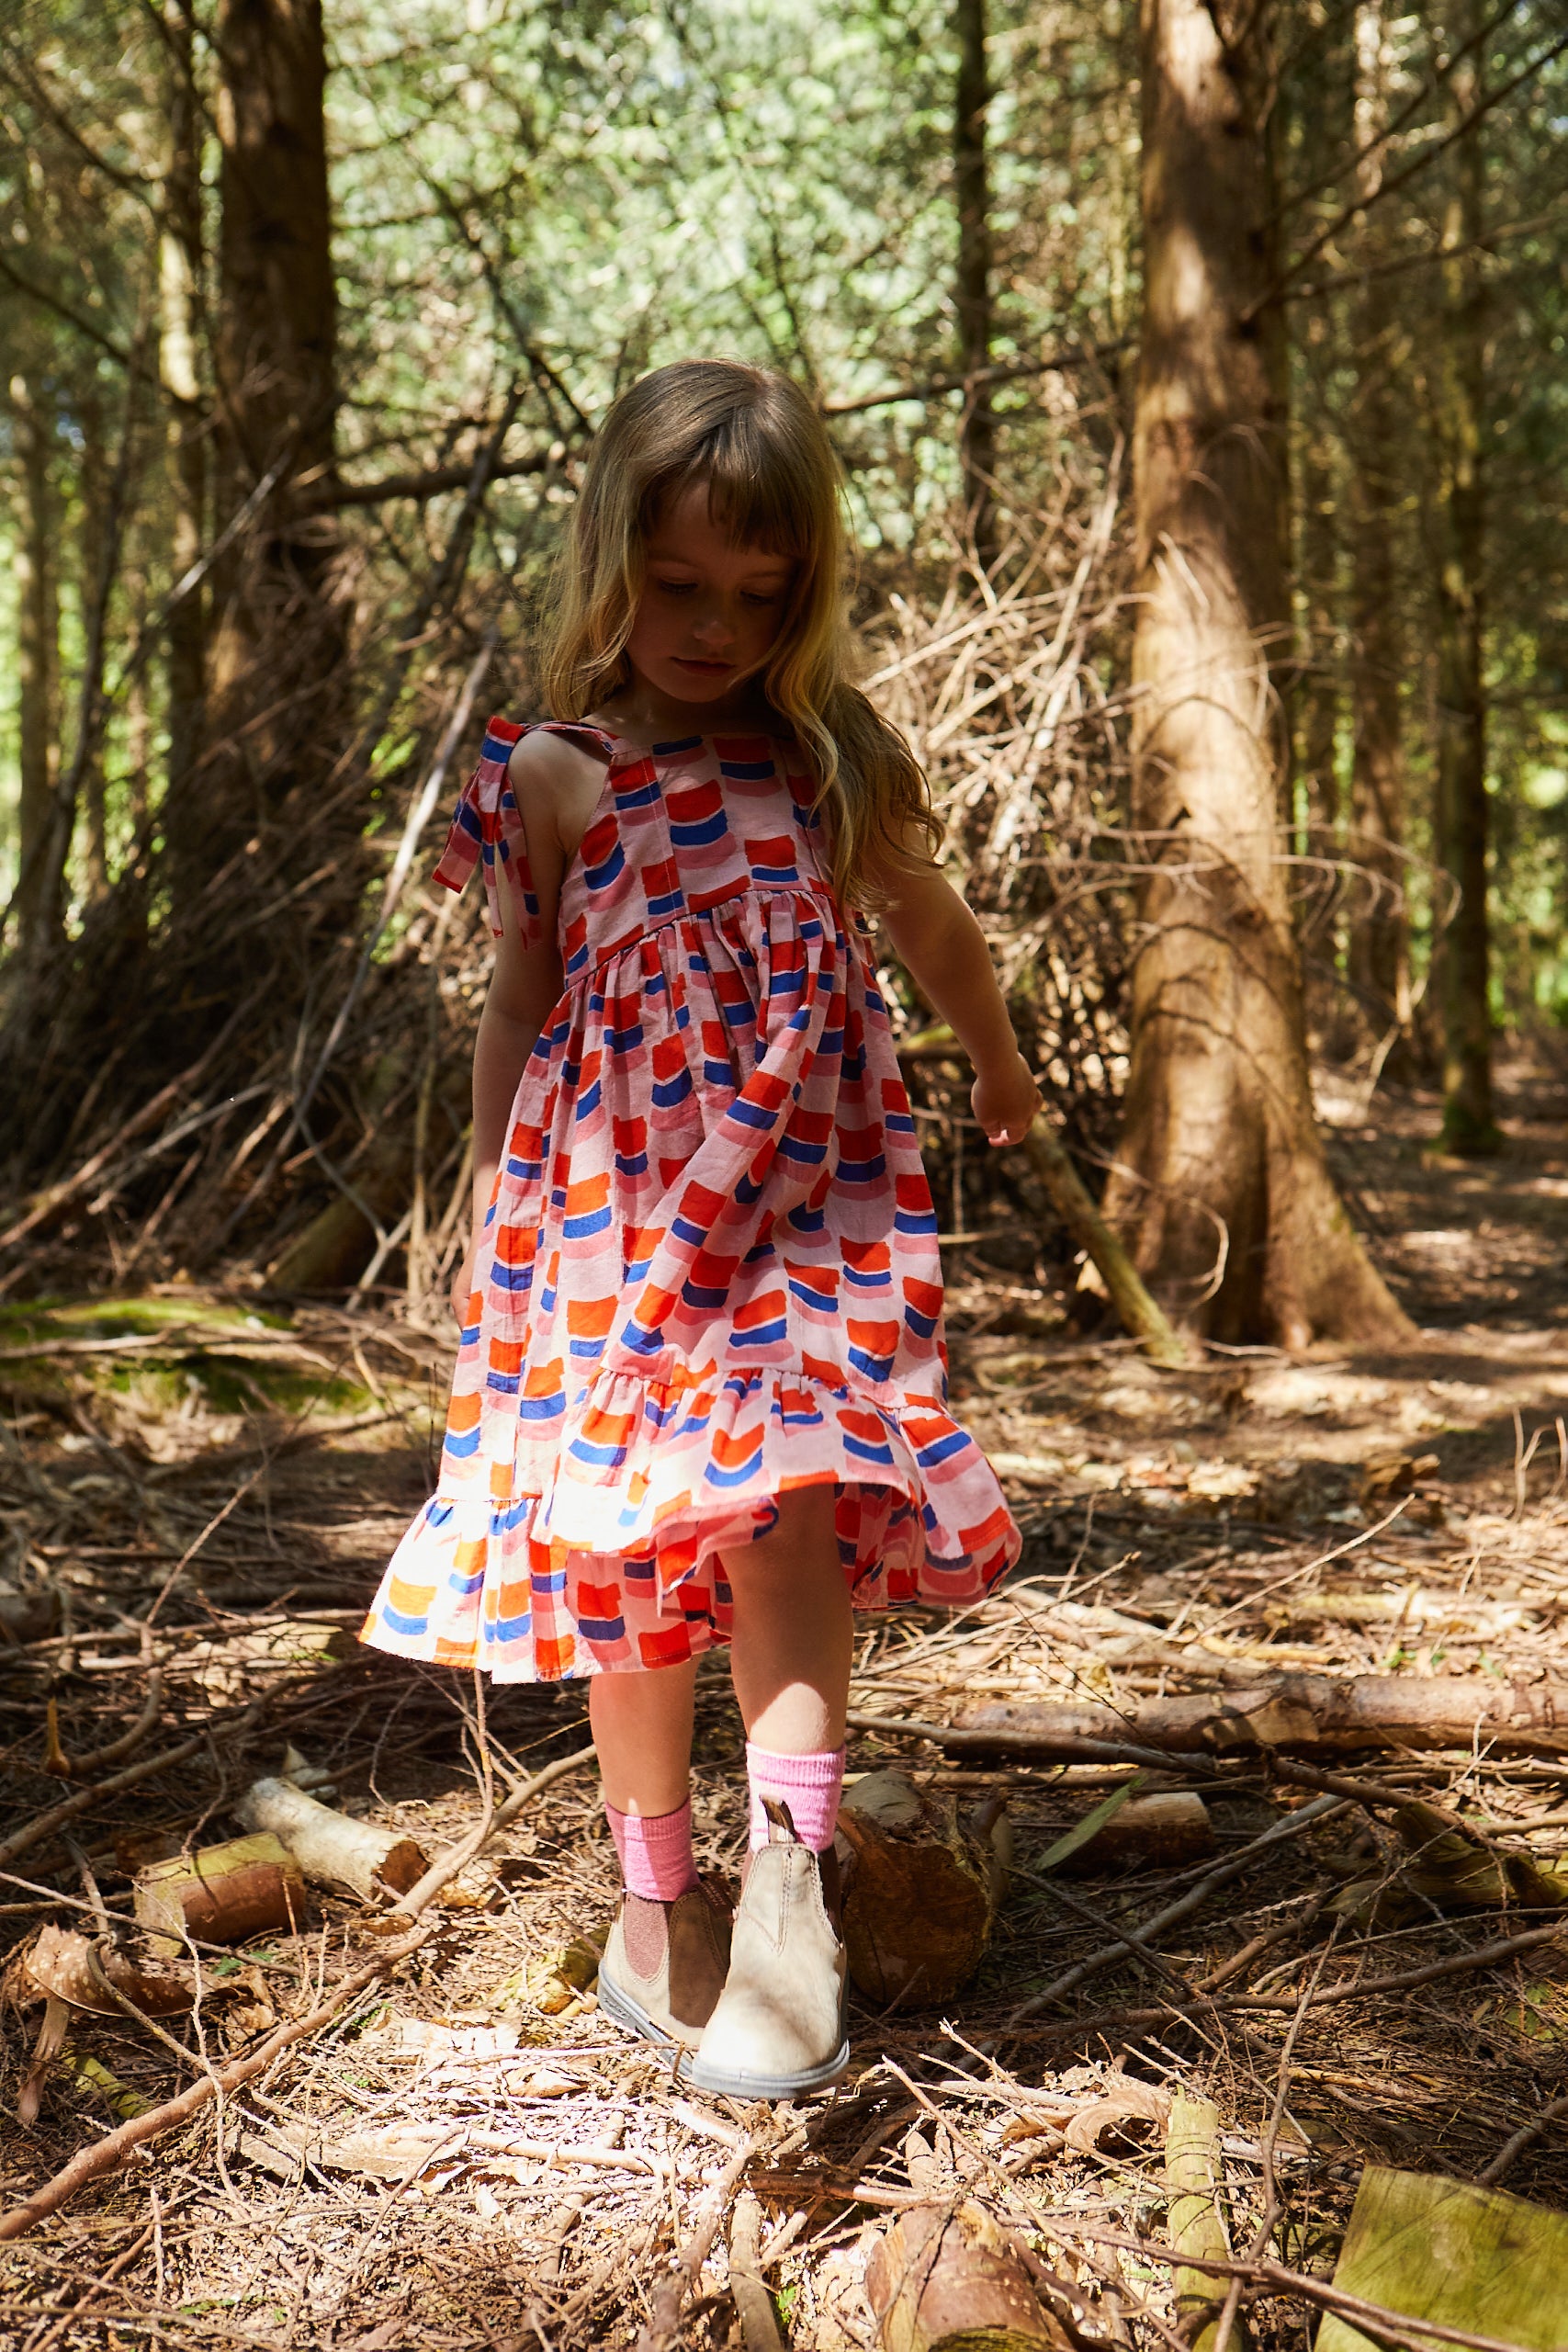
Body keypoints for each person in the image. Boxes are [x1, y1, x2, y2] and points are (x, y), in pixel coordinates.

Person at [361, 359, 1040, 2098]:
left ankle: (794, 1880)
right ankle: (657, 1904)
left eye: (759, 595)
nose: (712, 624)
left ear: (803, 603)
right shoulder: (554, 778)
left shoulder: (827, 762)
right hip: (606, 1211)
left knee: (789, 1496)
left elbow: (938, 926)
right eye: (677, 583)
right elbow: (520, 998)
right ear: (611, 559)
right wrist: (487, 1200)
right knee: (627, 1572)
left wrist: (1003, 1063)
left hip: (805, 1205)